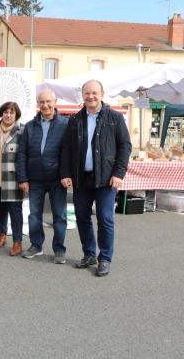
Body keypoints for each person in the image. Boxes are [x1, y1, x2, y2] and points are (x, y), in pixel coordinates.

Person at [60, 80, 131, 276]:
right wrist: (66, 173)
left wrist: (118, 174)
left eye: (94, 93)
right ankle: (89, 254)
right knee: (82, 218)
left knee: (105, 219)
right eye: (87, 93)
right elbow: (67, 149)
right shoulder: (75, 120)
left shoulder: (115, 117)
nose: (90, 96)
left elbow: (125, 146)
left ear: (102, 94)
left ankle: (105, 259)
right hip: (81, 178)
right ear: (82, 96)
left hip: (106, 178)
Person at [17, 90, 69, 262]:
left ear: (55, 101)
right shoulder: (30, 126)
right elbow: (22, 153)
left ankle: (59, 249)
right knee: (34, 215)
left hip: (57, 179)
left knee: (60, 215)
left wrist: (66, 175)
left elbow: (69, 153)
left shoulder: (65, 124)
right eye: (42, 102)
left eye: (48, 101)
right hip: (35, 178)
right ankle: (36, 245)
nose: (45, 105)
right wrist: (23, 178)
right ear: (37, 104)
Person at [0, 102, 25, 256]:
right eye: (6, 112)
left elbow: (25, 156)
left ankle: (17, 242)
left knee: (15, 211)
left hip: (14, 179)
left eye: (11, 113)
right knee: (0, 209)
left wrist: (24, 179)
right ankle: (2, 236)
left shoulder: (22, 130)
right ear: (2, 113)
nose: (8, 115)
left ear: (16, 115)